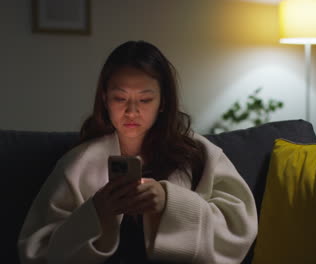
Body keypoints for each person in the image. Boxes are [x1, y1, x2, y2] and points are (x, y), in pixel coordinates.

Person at [18, 40, 258, 264]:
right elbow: (38, 249)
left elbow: (239, 226)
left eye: (145, 100)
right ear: (105, 98)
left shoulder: (199, 154)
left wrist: (169, 202)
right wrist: (96, 212)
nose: (131, 111)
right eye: (120, 98)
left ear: (162, 101)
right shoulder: (78, 164)